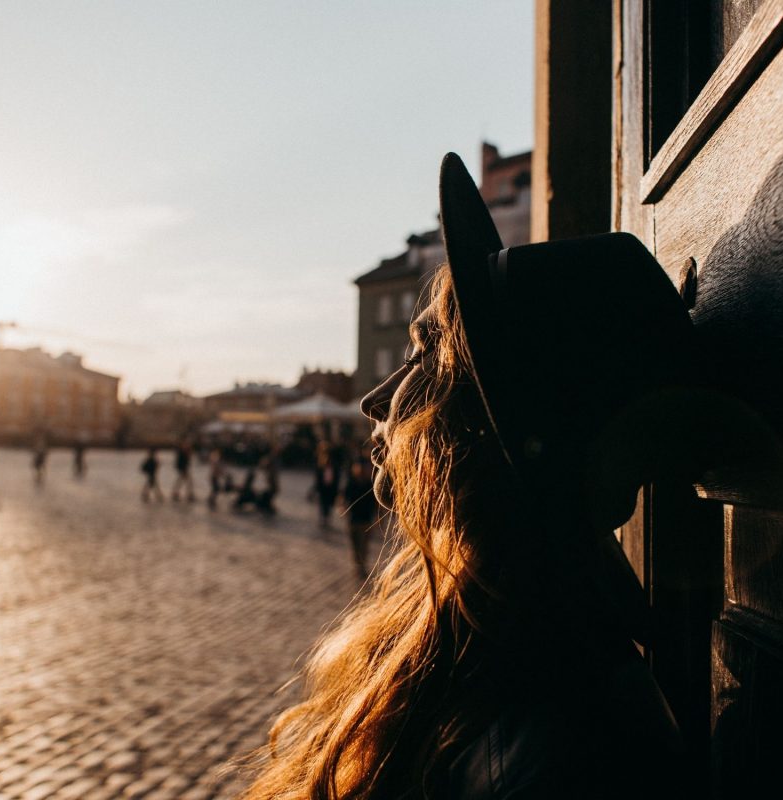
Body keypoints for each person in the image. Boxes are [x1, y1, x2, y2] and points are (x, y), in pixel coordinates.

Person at [240, 153, 698, 798]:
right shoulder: (507, 636)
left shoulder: (565, 744)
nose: (377, 399)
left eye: (425, 356)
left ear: (489, 422)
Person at [339, 444, 378, 581]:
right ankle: (358, 563)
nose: (361, 470)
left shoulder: (370, 485)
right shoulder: (351, 483)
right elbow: (343, 497)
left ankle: (362, 565)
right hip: (353, 519)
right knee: (354, 544)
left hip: (366, 520)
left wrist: (378, 519)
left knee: (363, 545)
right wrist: (343, 507)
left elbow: (375, 504)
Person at [309, 440, 341, 529]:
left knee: (328, 503)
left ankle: (326, 518)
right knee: (323, 503)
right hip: (323, 486)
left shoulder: (333, 462)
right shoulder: (320, 461)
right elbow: (318, 475)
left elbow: (336, 473)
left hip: (330, 486)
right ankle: (324, 518)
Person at [171, 438, 196, 502]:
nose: (187, 446)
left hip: (183, 469)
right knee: (188, 481)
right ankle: (189, 494)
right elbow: (180, 463)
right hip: (183, 469)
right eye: (186, 445)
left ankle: (177, 493)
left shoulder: (184, 452)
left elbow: (188, 461)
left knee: (182, 481)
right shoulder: (182, 453)